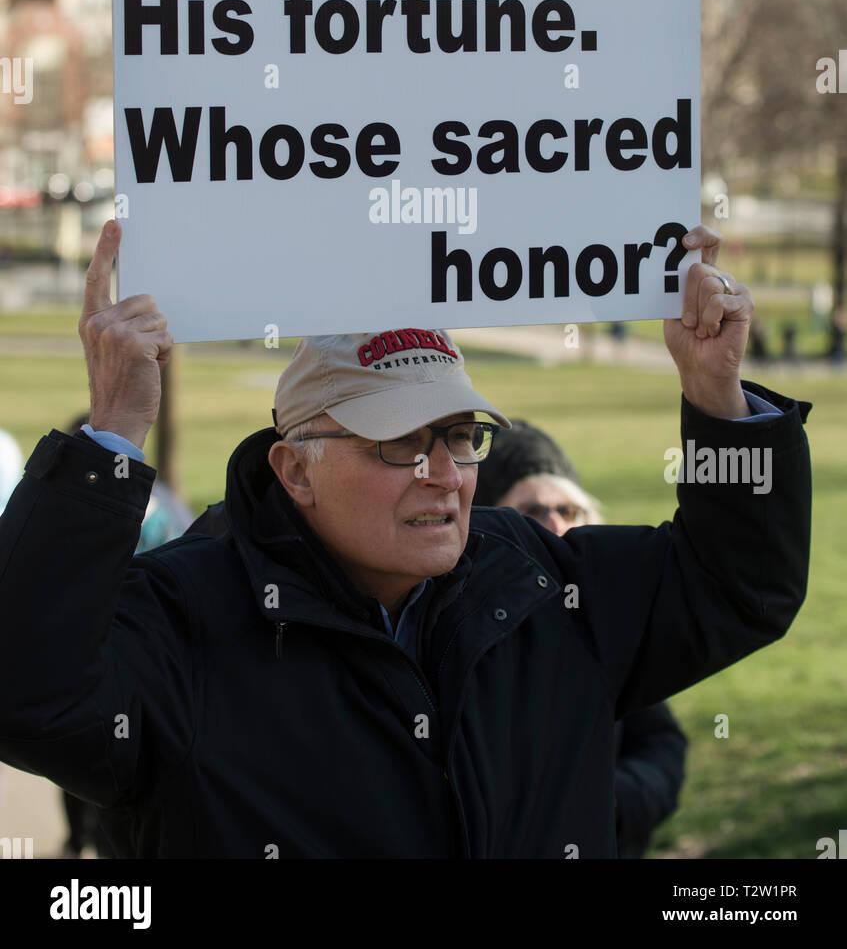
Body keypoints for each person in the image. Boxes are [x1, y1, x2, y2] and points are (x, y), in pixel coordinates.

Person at [0, 220, 812, 858]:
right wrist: (113, 435)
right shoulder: (185, 616)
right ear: (295, 470)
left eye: (460, 435)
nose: (442, 473)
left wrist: (716, 399)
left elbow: (735, 586)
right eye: (397, 441)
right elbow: (28, 699)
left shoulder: (534, 576)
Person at [474, 419, 687, 858]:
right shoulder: (463, 630)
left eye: (566, 511)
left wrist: (612, 801)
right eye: (531, 512)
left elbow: (660, 744)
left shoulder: (603, 619)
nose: (554, 526)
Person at [57, 412, 195, 858]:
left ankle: (84, 840)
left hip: (106, 655)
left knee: (85, 767)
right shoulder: (161, 503)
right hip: (132, 655)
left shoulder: (63, 507)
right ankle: (88, 839)